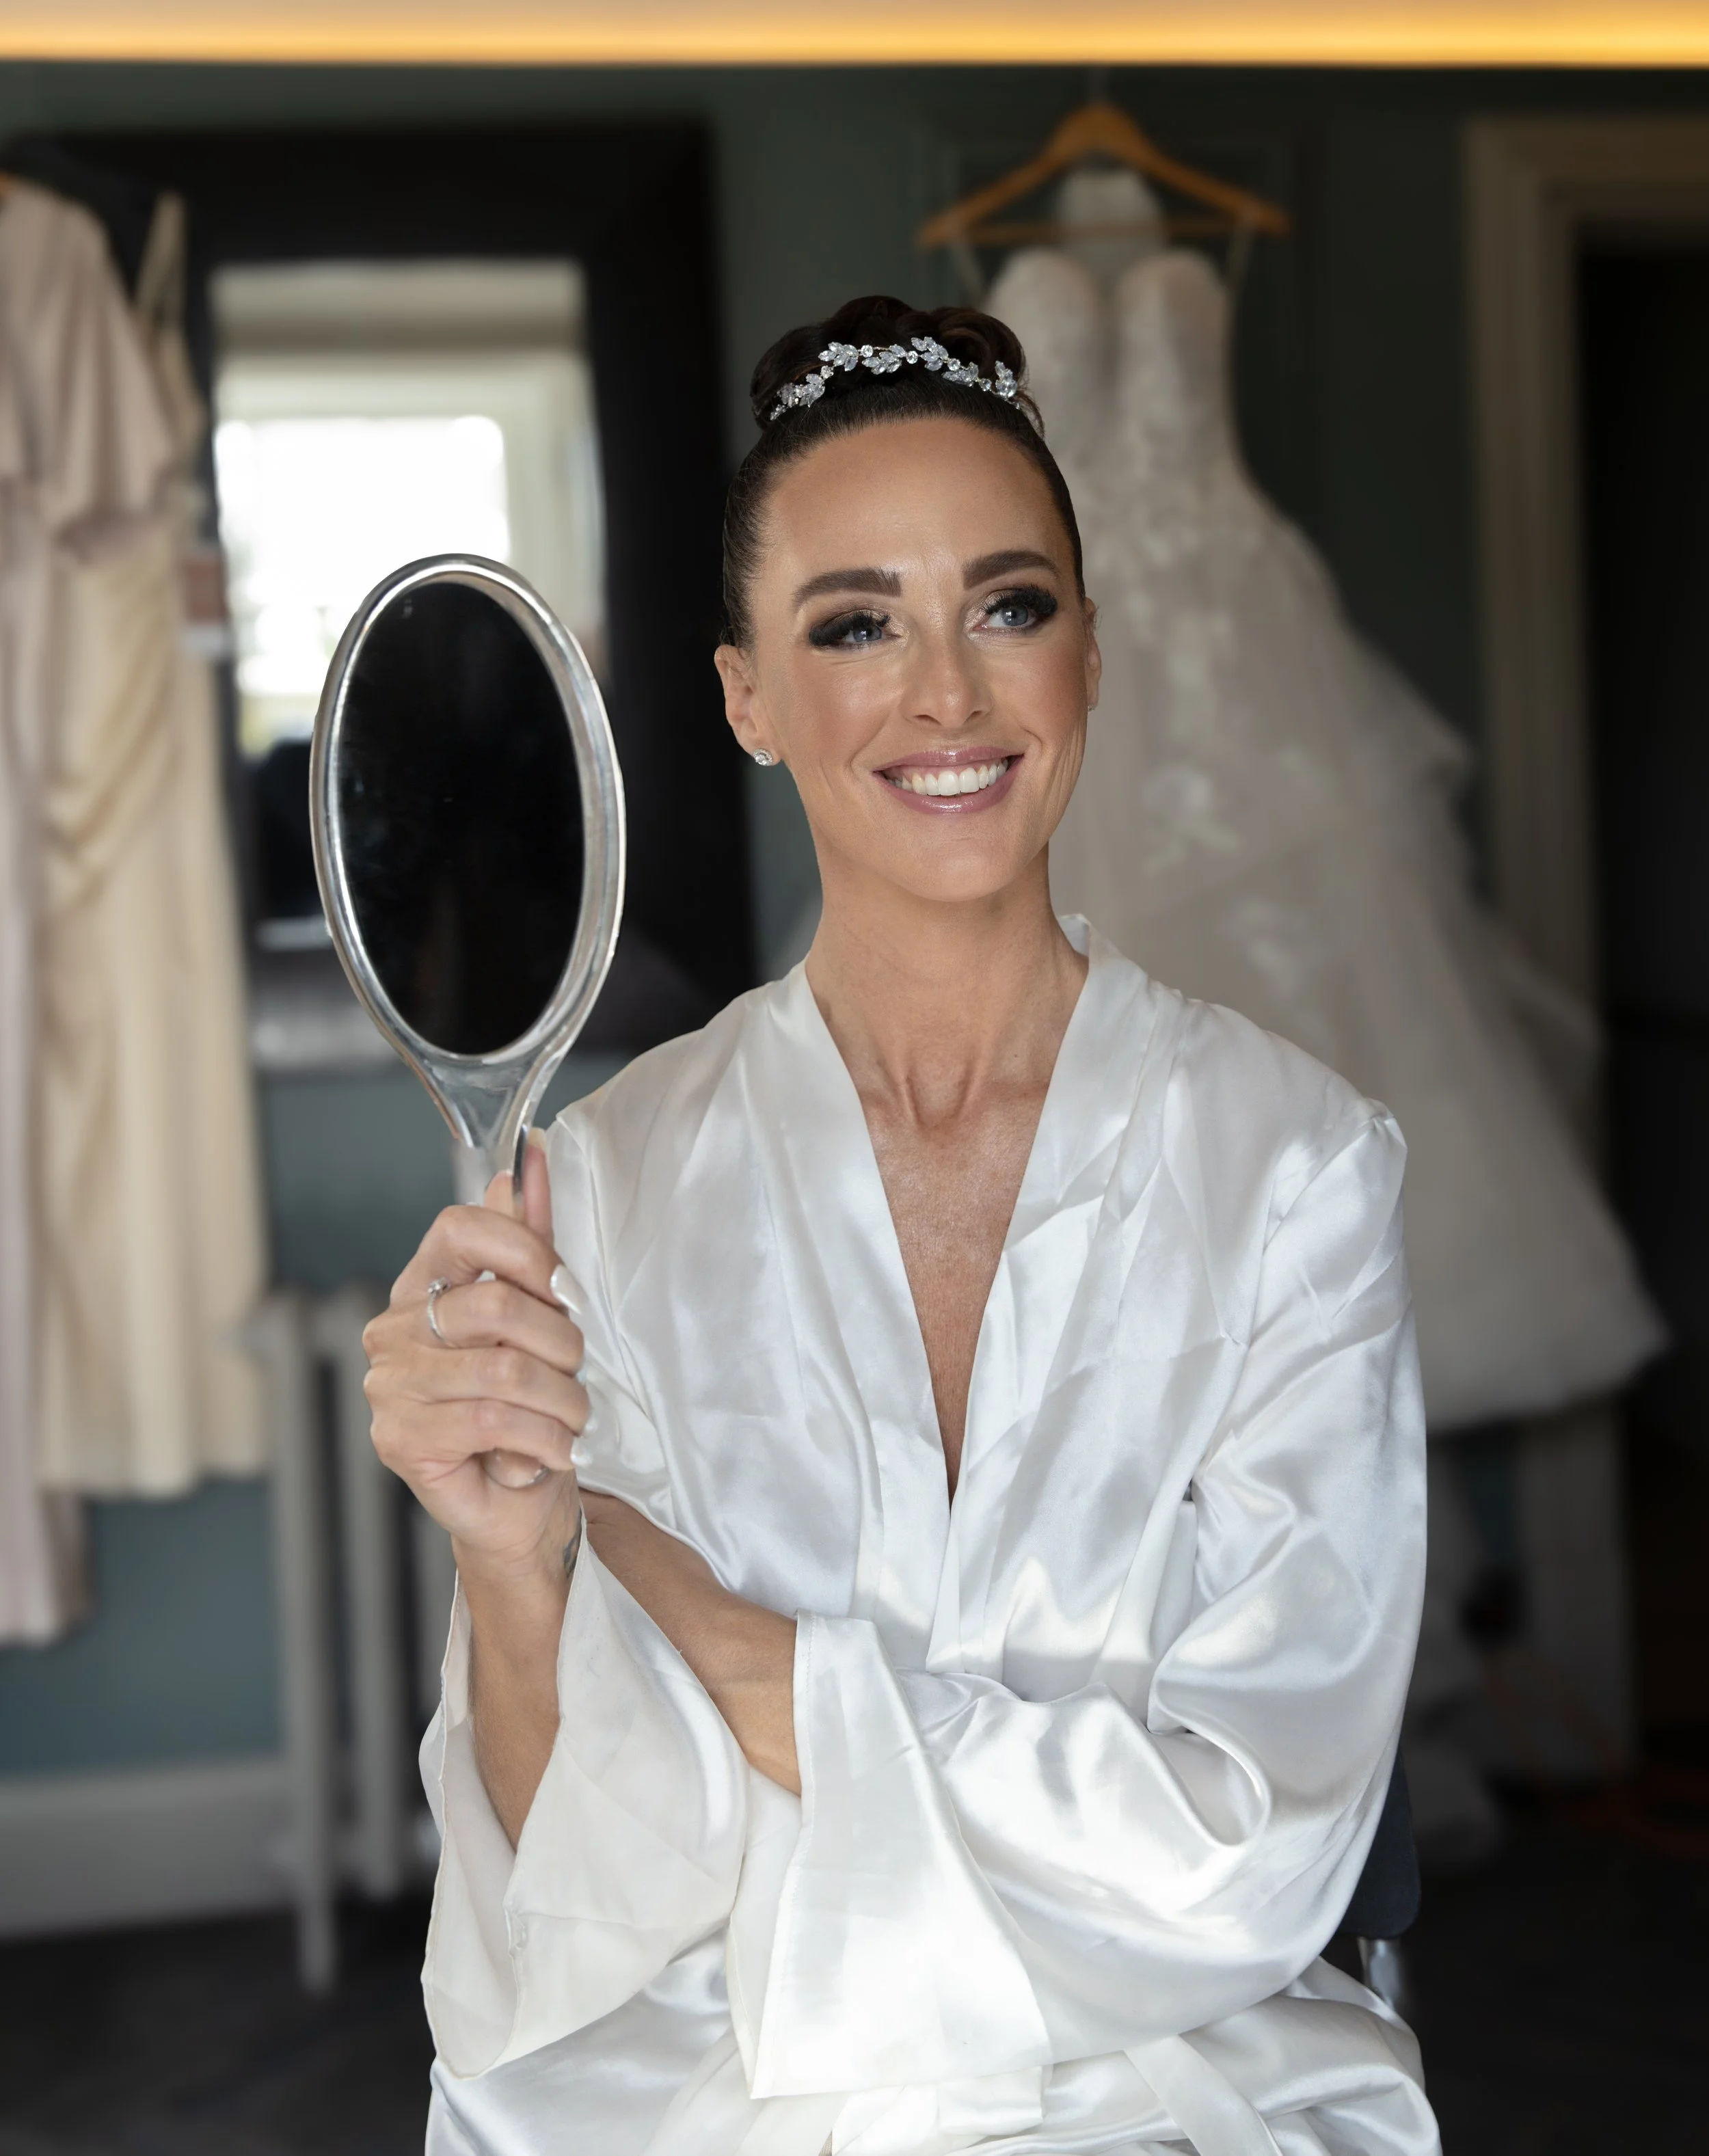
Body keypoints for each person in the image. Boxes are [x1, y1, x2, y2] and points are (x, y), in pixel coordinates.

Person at [363, 296, 1439, 2156]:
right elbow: (577, 1901)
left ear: (1087, 657)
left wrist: (724, 1639)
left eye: (1005, 607)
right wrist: (515, 1570)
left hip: (1174, 2090)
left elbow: (1251, 1849)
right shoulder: (599, 1185)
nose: (945, 695)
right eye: (855, 624)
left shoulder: (1294, 1172)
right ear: (745, 696)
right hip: (723, 2086)